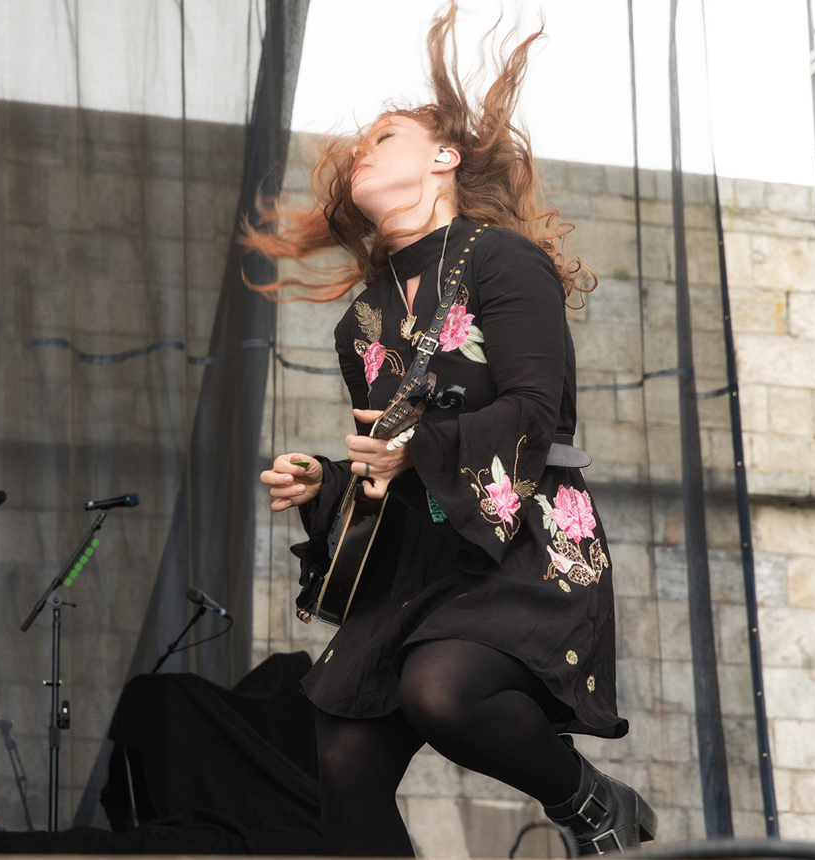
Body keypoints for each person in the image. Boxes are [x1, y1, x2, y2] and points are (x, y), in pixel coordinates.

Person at [248, 3, 656, 855]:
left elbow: (534, 413)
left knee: (444, 691)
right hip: (415, 561)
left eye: (384, 135)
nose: (364, 147)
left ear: (443, 158)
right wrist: (326, 478)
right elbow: (389, 454)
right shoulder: (360, 320)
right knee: (344, 757)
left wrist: (413, 452)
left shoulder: (503, 261)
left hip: (522, 547)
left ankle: (590, 802)